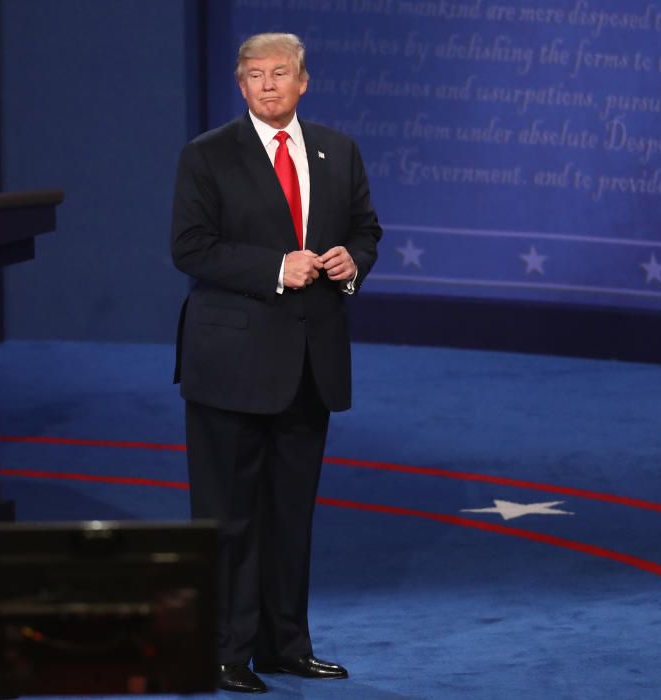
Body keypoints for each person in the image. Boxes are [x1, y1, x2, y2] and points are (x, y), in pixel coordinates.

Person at [171, 32, 382, 694]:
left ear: (303, 82)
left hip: (308, 363)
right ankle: (225, 649)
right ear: (240, 85)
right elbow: (190, 248)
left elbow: (366, 230)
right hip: (229, 362)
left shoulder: (337, 150)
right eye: (254, 75)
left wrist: (353, 263)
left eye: (279, 73)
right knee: (229, 516)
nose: (267, 85)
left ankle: (284, 645)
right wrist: (274, 268)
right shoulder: (207, 155)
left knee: (291, 516)